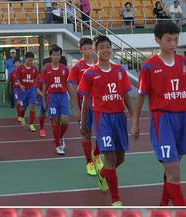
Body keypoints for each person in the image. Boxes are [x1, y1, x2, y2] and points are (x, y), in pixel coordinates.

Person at [132, 21, 186, 206]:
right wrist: (135, 122)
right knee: (173, 169)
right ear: (158, 40)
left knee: (173, 167)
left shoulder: (184, 62)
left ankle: (164, 204)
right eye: (168, 40)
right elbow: (141, 96)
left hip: (182, 118)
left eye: (176, 39)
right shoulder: (149, 66)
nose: (173, 43)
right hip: (162, 119)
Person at [78, 35, 134, 206]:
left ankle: (103, 174)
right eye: (101, 47)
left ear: (112, 49)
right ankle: (115, 199)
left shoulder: (120, 70)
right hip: (102, 119)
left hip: (119, 117)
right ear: (96, 51)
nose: (105, 50)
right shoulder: (90, 73)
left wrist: (134, 116)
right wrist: (83, 123)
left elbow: (125, 95)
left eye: (107, 47)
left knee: (120, 158)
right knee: (109, 156)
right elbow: (86, 100)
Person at [68, 37, 102, 177]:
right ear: (80, 50)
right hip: (84, 106)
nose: (88, 51)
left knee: (101, 131)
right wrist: (76, 108)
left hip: (99, 104)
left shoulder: (99, 64)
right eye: (85, 48)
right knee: (86, 133)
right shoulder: (77, 67)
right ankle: (89, 162)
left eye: (90, 48)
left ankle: (97, 154)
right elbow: (75, 90)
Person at [40, 45, 70, 156]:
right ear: (50, 56)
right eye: (54, 55)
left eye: (58, 54)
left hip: (63, 97)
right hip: (51, 98)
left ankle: (60, 136)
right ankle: (58, 145)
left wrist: (72, 98)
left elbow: (68, 85)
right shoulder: (46, 69)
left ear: (60, 55)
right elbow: (44, 88)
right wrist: (43, 101)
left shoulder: (64, 69)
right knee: (55, 122)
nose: (56, 56)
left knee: (65, 122)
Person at [16, 52, 39, 132]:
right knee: (23, 107)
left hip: (31, 90)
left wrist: (36, 86)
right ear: (25, 59)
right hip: (23, 90)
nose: (30, 62)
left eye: (32, 60)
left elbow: (37, 78)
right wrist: (20, 85)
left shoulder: (34, 69)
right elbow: (17, 79)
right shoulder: (20, 68)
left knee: (32, 106)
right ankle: (22, 116)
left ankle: (31, 124)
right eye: (29, 60)